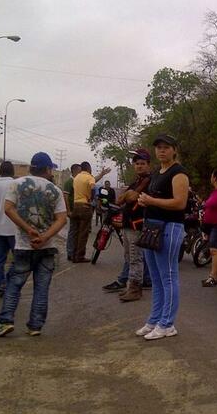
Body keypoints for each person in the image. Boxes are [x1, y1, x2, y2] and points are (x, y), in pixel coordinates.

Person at [0, 152, 67, 337]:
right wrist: (44, 237)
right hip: (47, 247)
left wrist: (28, 229)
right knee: (41, 288)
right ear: (48, 169)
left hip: (23, 245)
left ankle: (6, 321)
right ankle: (35, 325)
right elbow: (61, 219)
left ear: (31, 168)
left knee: (14, 285)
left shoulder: (16, 184)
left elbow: (8, 209)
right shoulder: (55, 190)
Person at [134, 134, 189, 340]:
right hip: (152, 227)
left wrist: (152, 201)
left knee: (168, 276)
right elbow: (154, 198)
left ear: (174, 150)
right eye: (158, 148)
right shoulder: (157, 172)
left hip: (170, 227)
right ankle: (154, 319)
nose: (162, 151)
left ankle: (167, 324)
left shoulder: (179, 173)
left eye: (166, 147)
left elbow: (179, 203)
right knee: (156, 278)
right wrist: (144, 201)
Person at [117, 149, 152, 303]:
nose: (139, 166)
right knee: (128, 257)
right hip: (127, 223)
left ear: (148, 165)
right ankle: (131, 285)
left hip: (137, 225)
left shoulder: (149, 180)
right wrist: (127, 194)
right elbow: (119, 200)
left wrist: (128, 194)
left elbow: (130, 197)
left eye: (142, 163)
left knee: (135, 257)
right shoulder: (136, 182)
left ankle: (135, 288)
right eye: (137, 163)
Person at [71, 161, 110, 262]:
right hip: (85, 206)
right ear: (89, 168)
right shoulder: (89, 177)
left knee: (75, 232)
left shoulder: (76, 178)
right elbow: (93, 187)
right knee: (83, 233)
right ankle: (79, 256)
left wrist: (102, 174)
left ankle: (73, 254)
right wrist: (91, 199)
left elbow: (92, 181)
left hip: (75, 206)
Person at [0, 160, 16, 298]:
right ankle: (9, 280)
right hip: (13, 228)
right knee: (18, 259)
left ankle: (0, 285)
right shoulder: (15, 185)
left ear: (0, 171)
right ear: (12, 171)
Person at [63, 163, 81, 262]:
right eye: (79, 171)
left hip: (78, 210)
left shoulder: (77, 182)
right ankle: (70, 252)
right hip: (73, 211)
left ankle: (74, 252)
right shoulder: (70, 182)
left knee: (77, 231)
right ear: (74, 171)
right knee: (73, 231)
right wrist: (68, 211)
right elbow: (65, 197)